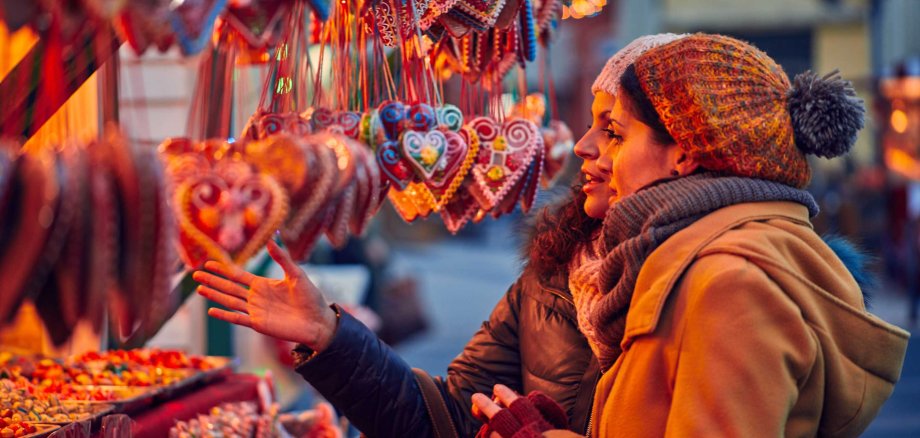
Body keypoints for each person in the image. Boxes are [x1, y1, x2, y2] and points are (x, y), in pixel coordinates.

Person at [192, 35, 687, 437]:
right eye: (590, 126)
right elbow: (445, 419)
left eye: (614, 132)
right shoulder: (557, 273)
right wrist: (330, 334)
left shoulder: (720, 281)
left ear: (685, 152)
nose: (583, 147)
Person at [470, 33, 911, 437]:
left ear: (683, 153)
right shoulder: (685, 262)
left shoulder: (731, 284)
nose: (596, 151)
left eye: (616, 134)